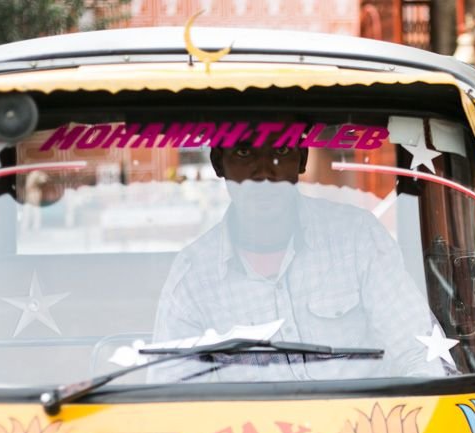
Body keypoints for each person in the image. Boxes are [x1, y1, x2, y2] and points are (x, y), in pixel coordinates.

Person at [151, 137, 443, 382]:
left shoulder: (357, 239)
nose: (264, 172)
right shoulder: (193, 277)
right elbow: (172, 396)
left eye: (280, 151)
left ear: (302, 158)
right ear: (218, 162)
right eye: (243, 151)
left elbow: (419, 353)